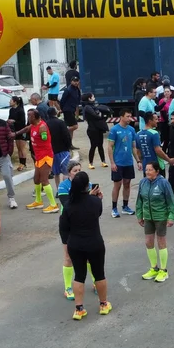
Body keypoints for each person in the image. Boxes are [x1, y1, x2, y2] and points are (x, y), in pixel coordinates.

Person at [57, 172, 111, 320]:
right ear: (87, 186)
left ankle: (79, 309)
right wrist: (96, 198)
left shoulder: (68, 205)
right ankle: (103, 304)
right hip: (94, 243)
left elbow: (64, 227)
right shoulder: (95, 202)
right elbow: (97, 213)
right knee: (99, 273)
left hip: (75, 244)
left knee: (79, 276)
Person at [57, 160, 94, 299]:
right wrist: (89, 198)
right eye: (75, 171)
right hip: (67, 225)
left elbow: (93, 204)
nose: (78, 173)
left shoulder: (88, 184)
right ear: (69, 173)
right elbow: (67, 205)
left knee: (90, 256)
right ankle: (68, 287)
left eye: (79, 170)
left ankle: (96, 281)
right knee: (68, 257)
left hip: (84, 223)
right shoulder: (63, 186)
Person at [136, 161, 174, 282]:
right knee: (148, 242)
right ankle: (154, 268)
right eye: (146, 170)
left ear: (157, 171)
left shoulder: (163, 183)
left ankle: (163, 271)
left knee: (161, 242)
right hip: (148, 217)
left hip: (161, 217)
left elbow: (171, 200)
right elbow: (139, 200)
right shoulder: (143, 182)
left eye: (150, 170)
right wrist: (139, 215)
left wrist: (171, 217)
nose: (147, 172)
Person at [17, 108, 59, 213]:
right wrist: (15, 134)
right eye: (28, 115)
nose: (28, 117)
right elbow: (26, 129)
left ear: (35, 117)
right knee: (36, 179)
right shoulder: (33, 125)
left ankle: (53, 205)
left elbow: (45, 138)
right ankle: (38, 201)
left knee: (44, 180)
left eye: (29, 116)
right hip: (39, 157)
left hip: (46, 157)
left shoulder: (42, 126)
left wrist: (44, 135)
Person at [106, 110, 137, 218]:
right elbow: (110, 146)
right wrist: (112, 163)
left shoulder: (132, 130)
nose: (130, 118)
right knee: (117, 185)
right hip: (118, 163)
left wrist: (138, 161)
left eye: (131, 116)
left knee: (127, 184)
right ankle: (114, 208)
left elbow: (133, 147)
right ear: (121, 117)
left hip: (128, 162)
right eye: (128, 116)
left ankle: (125, 206)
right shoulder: (114, 130)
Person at [0, 106, 18, 209]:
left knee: (7, 177)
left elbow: (10, 137)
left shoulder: (3, 123)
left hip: (3, 156)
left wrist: (9, 151)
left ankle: (11, 198)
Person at [135, 112, 172, 178]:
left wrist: (140, 161)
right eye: (156, 119)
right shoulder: (154, 133)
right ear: (150, 121)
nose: (158, 121)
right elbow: (158, 150)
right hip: (157, 166)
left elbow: (138, 152)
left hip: (146, 167)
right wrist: (168, 160)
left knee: (148, 186)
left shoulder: (138, 134)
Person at [81, 92, 110, 169]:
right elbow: (95, 115)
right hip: (92, 130)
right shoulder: (87, 107)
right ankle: (90, 163)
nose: (94, 98)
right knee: (93, 146)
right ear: (89, 98)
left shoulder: (93, 106)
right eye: (93, 97)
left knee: (100, 145)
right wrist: (99, 114)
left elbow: (99, 115)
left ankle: (103, 161)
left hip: (98, 129)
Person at [46, 108, 73, 191]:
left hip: (52, 151)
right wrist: (69, 146)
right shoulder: (60, 122)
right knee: (66, 171)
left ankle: (59, 190)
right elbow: (66, 135)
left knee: (56, 173)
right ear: (55, 113)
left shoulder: (46, 124)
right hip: (63, 150)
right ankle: (66, 189)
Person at [9, 95, 29, 171]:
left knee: (22, 147)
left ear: (15, 102)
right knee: (18, 148)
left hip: (21, 130)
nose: (9, 102)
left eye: (11, 101)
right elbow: (9, 118)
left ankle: (24, 163)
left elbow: (22, 122)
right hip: (15, 131)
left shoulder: (20, 110)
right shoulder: (11, 110)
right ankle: (21, 163)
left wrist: (14, 121)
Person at [59, 75, 81, 139]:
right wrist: (62, 109)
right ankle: (62, 131)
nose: (76, 82)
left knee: (71, 128)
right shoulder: (68, 90)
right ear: (71, 82)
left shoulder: (76, 89)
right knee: (75, 126)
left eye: (77, 81)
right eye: (74, 81)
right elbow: (62, 100)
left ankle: (70, 144)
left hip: (72, 110)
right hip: (68, 110)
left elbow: (78, 99)